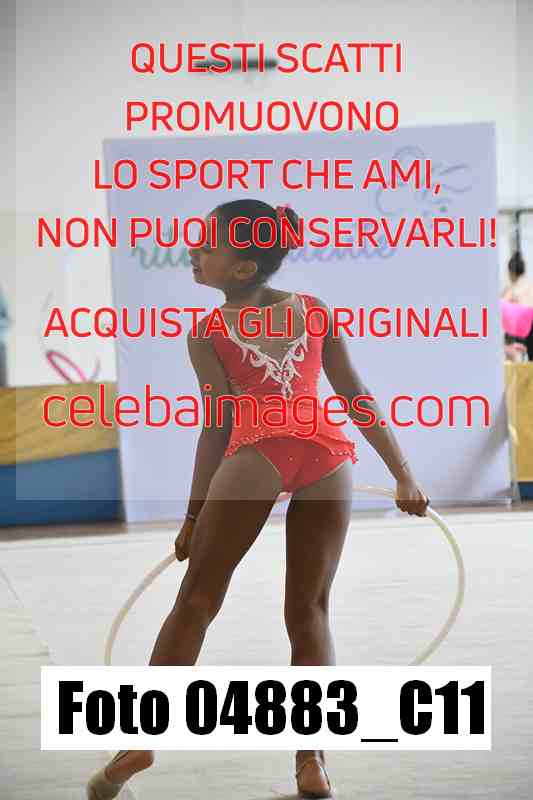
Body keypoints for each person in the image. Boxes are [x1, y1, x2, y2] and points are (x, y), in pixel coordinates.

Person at [87, 199, 429, 799]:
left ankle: (140, 737)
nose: (193, 252)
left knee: (197, 598)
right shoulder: (314, 311)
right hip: (326, 453)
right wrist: (403, 474)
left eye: (207, 246)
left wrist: (194, 514)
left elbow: (216, 428)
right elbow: (354, 394)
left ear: (243, 267)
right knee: (310, 610)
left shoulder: (208, 331)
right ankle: (311, 761)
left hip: (257, 452)